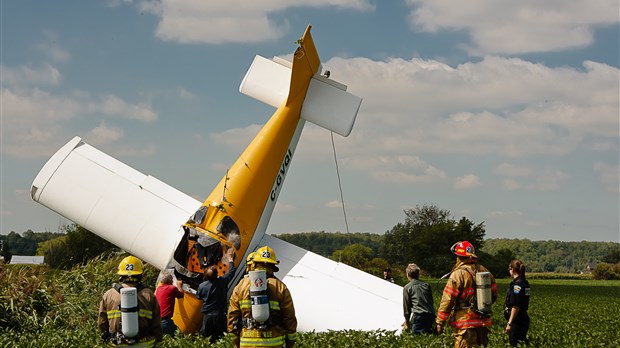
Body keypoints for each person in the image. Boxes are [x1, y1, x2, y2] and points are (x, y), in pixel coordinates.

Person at [228, 245, 298, 348]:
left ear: (254, 263)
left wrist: (236, 340)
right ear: (273, 266)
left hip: (247, 343)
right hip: (273, 343)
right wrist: (290, 342)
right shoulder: (280, 287)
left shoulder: (240, 286)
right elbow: (289, 317)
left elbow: (232, 316)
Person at [436, 241, 498, 348]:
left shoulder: (458, 274)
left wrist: (440, 322)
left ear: (459, 257)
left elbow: (448, 299)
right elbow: (494, 295)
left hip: (465, 324)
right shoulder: (484, 271)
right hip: (482, 323)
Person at [98, 255, 163, 347]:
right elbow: (156, 322)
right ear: (140, 274)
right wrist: (158, 341)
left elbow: (102, 322)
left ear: (121, 275)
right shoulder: (148, 294)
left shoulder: (109, 295)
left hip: (117, 344)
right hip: (144, 344)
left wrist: (105, 337)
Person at [196, 247, 237, 342]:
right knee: (220, 340)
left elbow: (198, 297)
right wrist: (230, 259)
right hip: (220, 316)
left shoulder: (202, 286)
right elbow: (232, 271)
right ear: (217, 274)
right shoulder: (223, 281)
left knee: (207, 340)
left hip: (208, 317)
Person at [402, 263, 435, 334]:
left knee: (416, 337)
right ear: (418, 274)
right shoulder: (426, 285)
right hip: (431, 315)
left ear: (408, 274)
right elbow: (430, 301)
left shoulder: (407, 287)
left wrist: (407, 322)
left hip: (420, 316)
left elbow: (407, 308)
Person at [504, 259, 530, 346]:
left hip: (517, 321)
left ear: (513, 269)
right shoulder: (525, 283)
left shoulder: (517, 285)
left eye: (509, 268)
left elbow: (516, 306)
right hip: (524, 318)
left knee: (514, 344)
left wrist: (510, 323)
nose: (509, 270)